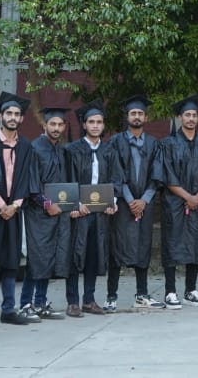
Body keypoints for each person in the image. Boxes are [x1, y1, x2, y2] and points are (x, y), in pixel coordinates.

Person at [155, 96, 198, 309]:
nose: (191, 118)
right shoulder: (168, 144)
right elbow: (166, 175)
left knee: (195, 244)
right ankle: (170, 291)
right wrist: (187, 197)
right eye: (187, 115)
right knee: (172, 245)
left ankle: (190, 290)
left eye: (194, 115)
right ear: (179, 117)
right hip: (174, 202)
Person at [0, 93, 41, 326]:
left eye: (17, 114)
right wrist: (0, 205)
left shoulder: (26, 146)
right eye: (9, 113)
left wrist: (14, 206)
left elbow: (29, 179)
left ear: (21, 118)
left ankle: (8, 309)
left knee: (11, 260)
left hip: (14, 211)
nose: (13, 117)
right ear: (0, 116)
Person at [64, 100, 121, 317]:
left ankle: (89, 299)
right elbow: (67, 180)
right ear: (84, 124)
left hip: (100, 214)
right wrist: (75, 203)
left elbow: (116, 179)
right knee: (74, 255)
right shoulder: (72, 150)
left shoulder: (109, 151)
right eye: (91, 122)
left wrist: (112, 202)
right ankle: (72, 301)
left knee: (93, 255)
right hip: (79, 212)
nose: (96, 125)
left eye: (99, 122)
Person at [107, 96, 163, 311]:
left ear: (145, 117)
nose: (137, 116)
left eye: (140, 113)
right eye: (133, 113)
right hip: (122, 204)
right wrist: (131, 200)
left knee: (143, 247)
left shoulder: (153, 144)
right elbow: (116, 174)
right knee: (117, 247)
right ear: (127, 116)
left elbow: (157, 174)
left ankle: (142, 294)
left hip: (144, 204)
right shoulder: (116, 141)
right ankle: (111, 296)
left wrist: (145, 200)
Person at [21, 106, 72, 321]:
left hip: (58, 212)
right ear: (45, 125)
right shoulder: (35, 149)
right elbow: (31, 184)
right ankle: (25, 303)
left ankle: (41, 303)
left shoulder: (61, 150)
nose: (57, 128)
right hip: (38, 213)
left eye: (60, 125)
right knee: (37, 258)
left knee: (48, 258)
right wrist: (46, 203)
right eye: (53, 124)